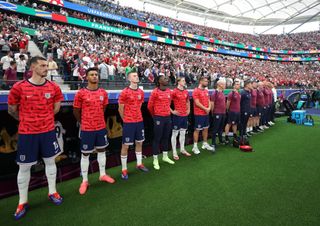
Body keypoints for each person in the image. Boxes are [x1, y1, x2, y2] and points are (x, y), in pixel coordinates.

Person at [8, 56, 64, 220]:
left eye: (46, 65)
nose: (46, 68)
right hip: (27, 133)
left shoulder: (54, 87)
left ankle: (52, 192)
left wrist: (43, 119)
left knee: (50, 162)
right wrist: (27, 120)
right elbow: (12, 110)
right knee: (24, 167)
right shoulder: (19, 87)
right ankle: (22, 201)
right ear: (32, 67)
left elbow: (56, 108)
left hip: (47, 132)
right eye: (42, 65)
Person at [73, 67, 115, 195]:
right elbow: (76, 111)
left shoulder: (103, 92)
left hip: (100, 127)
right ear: (86, 77)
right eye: (92, 74)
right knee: (85, 154)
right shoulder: (81, 93)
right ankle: (85, 181)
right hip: (87, 128)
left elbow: (104, 108)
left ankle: (102, 174)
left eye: (96, 74)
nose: (95, 76)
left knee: (102, 150)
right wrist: (83, 121)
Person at [118, 68, 149, 180]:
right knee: (125, 145)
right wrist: (125, 120)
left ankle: (139, 164)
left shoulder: (141, 92)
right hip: (129, 122)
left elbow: (140, 106)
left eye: (137, 75)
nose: (137, 77)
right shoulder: (124, 92)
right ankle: (124, 169)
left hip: (139, 121)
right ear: (129, 78)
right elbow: (120, 109)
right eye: (134, 76)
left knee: (139, 143)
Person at [147, 73, 175, 170]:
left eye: (167, 77)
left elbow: (169, 103)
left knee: (166, 137)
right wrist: (155, 117)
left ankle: (165, 156)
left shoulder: (169, 91)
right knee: (157, 139)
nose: (167, 79)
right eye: (164, 78)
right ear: (159, 81)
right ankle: (155, 159)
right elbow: (149, 106)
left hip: (168, 118)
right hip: (158, 118)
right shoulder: (155, 92)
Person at [192, 76, 214, 154]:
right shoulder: (196, 91)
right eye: (205, 81)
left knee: (206, 128)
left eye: (207, 81)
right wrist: (206, 109)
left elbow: (208, 100)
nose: (206, 83)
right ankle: (195, 147)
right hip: (199, 114)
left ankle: (205, 143)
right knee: (197, 130)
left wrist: (209, 108)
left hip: (206, 113)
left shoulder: (206, 91)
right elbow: (197, 103)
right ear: (200, 81)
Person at [171, 77, 191, 160]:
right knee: (175, 133)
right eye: (183, 80)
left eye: (184, 80)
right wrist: (172, 111)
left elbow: (188, 101)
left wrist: (188, 109)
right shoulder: (174, 91)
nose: (184, 82)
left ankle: (182, 149)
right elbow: (167, 101)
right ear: (178, 82)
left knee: (183, 133)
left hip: (184, 115)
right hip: (177, 116)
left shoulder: (186, 91)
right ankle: (174, 152)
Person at [210, 78, 227, 151]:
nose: (225, 85)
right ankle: (213, 143)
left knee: (221, 128)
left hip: (223, 113)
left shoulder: (222, 92)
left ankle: (220, 140)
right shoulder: (215, 93)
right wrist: (213, 113)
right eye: (224, 84)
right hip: (217, 113)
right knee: (215, 128)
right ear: (220, 85)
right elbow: (212, 104)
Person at [224, 79, 241, 144]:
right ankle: (226, 136)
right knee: (229, 123)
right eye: (237, 84)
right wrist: (227, 110)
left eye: (239, 84)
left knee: (235, 123)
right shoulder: (231, 93)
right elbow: (228, 103)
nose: (238, 85)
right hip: (232, 111)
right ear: (233, 86)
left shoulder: (238, 93)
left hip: (238, 111)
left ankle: (235, 135)